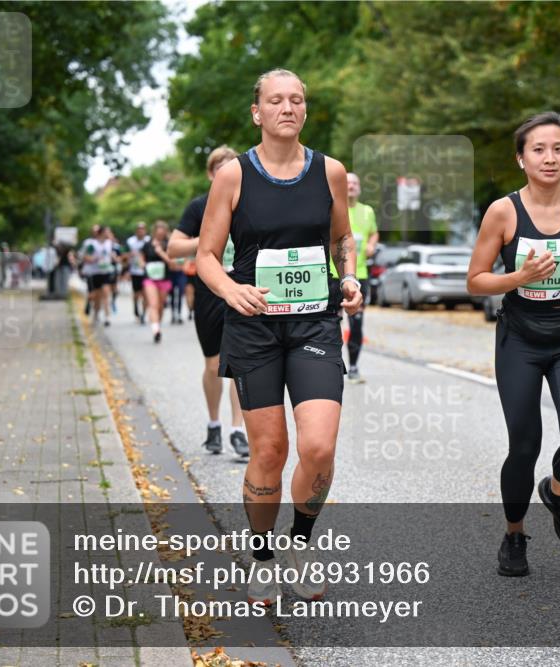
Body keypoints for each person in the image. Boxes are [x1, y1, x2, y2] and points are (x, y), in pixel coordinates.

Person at [196, 69, 362, 606]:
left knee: (318, 447)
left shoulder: (330, 172)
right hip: (255, 327)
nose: (287, 108)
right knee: (269, 449)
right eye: (275, 100)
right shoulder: (234, 176)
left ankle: (298, 545)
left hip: (315, 322)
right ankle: (262, 554)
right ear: (258, 112)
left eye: (296, 100)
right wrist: (230, 289)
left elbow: (343, 237)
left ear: (304, 112)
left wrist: (351, 275)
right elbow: (204, 257)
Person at [466, 111, 560, 578]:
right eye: (539, 150)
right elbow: (475, 280)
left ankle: (559, 492)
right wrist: (518, 277)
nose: (550, 158)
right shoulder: (504, 211)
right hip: (520, 342)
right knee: (524, 446)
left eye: (558, 148)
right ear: (521, 159)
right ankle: (514, 534)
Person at [168, 145, 248, 458]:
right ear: (210, 173)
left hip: (242, 289)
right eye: (219, 167)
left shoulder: (249, 205)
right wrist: (208, 239)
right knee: (214, 364)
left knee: (240, 362)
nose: (225, 172)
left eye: (232, 166)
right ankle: (214, 423)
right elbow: (174, 248)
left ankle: (238, 430)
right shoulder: (199, 206)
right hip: (208, 291)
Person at [338, 172, 378, 383]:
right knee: (332, 323)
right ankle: (334, 364)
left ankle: (353, 366)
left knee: (357, 323)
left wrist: (372, 244)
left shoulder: (367, 211)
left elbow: (373, 232)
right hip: (334, 274)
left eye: (355, 183)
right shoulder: (335, 207)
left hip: (360, 274)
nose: (351, 186)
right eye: (348, 183)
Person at [143, 221, 174, 343]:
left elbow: (172, 263)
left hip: (164, 278)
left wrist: (160, 251)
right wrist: (142, 263)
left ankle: (157, 325)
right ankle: (156, 330)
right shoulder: (147, 244)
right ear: (154, 232)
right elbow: (142, 256)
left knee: (160, 306)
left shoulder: (169, 245)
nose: (160, 235)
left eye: (162, 233)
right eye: (158, 233)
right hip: (149, 278)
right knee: (153, 304)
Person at [79, 225, 112, 326]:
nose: (109, 234)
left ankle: (107, 317)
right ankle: (95, 312)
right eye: (107, 232)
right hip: (93, 272)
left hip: (106, 271)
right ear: (101, 233)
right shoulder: (91, 244)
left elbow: (111, 254)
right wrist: (94, 259)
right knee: (95, 296)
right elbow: (84, 257)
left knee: (106, 293)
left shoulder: (109, 243)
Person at [126, 222, 151, 324]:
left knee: (145, 294)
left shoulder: (149, 240)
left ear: (145, 230)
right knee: (136, 294)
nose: (141, 231)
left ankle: (143, 314)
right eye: (139, 229)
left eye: (143, 229)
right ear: (136, 231)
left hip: (146, 271)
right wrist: (130, 255)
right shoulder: (130, 241)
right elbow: (124, 255)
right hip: (135, 271)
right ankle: (136, 309)